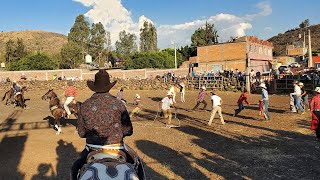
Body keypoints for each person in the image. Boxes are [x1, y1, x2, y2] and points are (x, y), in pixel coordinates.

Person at [71, 69, 134, 180]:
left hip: (92, 147)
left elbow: (81, 133)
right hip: (117, 146)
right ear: (109, 86)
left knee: (75, 168)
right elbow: (128, 130)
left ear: (94, 87)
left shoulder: (85, 105)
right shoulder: (119, 104)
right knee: (138, 164)